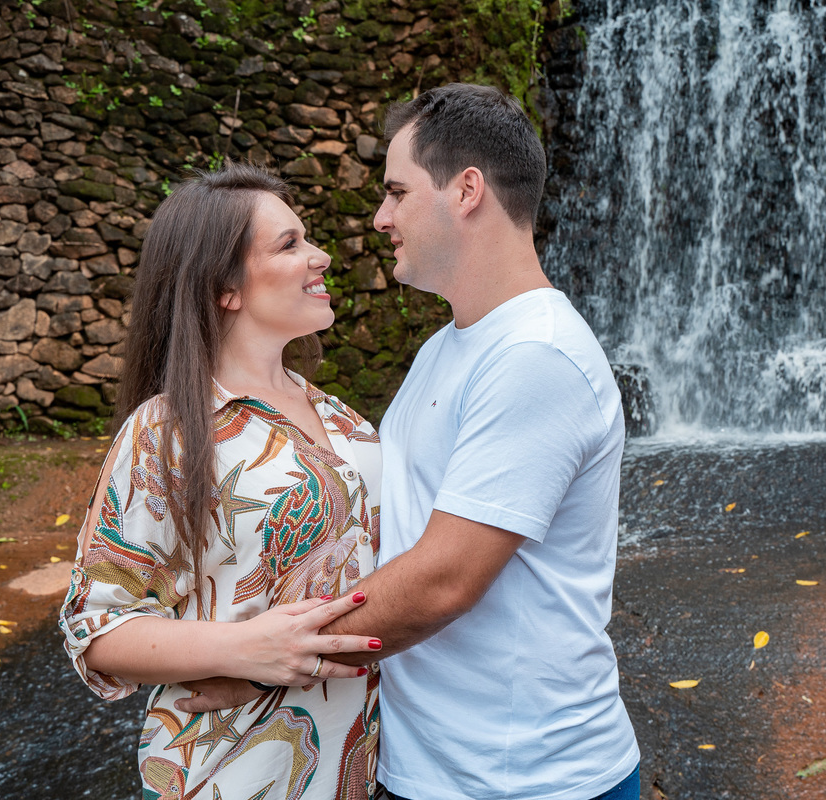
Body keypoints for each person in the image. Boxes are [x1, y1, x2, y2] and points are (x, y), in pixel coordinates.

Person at [183, 83, 642, 799]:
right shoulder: (449, 347)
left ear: (466, 191)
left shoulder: (536, 356)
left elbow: (443, 579)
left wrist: (255, 660)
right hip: (430, 768)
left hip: (528, 781)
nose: (379, 217)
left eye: (396, 192)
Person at [59, 163, 385, 800]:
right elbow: (97, 627)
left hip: (365, 768)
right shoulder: (169, 429)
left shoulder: (351, 426)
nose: (320, 256)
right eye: (290, 244)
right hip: (228, 773)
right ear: (225, 287)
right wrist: (243, 650)